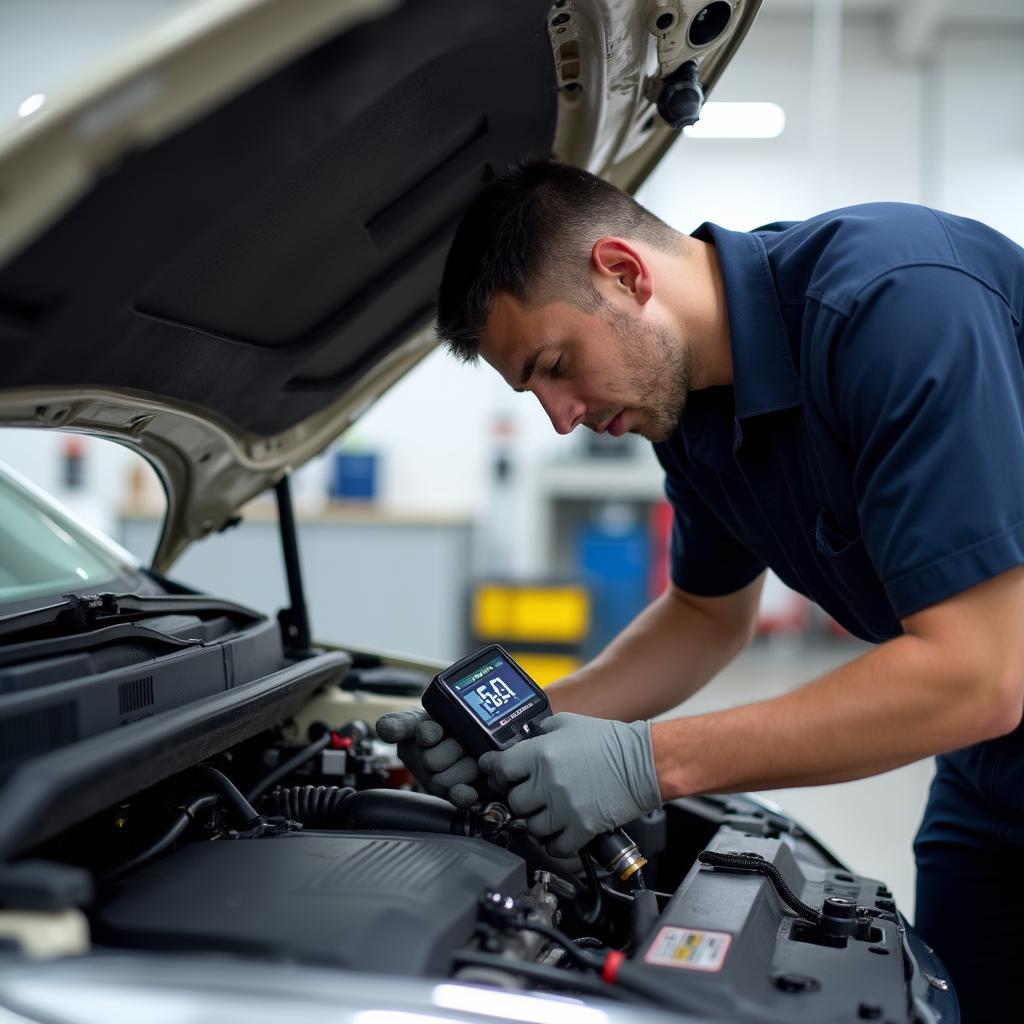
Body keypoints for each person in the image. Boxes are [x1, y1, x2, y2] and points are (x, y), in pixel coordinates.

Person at [376, 161, 1024, 1021]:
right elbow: (704, 616)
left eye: (557, 364)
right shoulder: (690, 409)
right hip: (988, 782)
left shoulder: (896, 307)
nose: (561, 417)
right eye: (533, 392)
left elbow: (978, 676)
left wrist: (648, 763)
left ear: (624, 272)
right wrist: (519, 745)